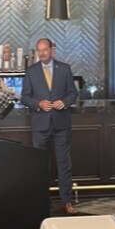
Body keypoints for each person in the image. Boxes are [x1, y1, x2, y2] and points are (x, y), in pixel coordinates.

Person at [20, 38, 78, 214]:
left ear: (52, 49)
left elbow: (73, 93)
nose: (42, 53)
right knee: (39, 165)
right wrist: (38, 104)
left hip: (61, 123)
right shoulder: (31, 72)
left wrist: (64, 102)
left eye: (45, 50)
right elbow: (25, 97)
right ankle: (41, 202)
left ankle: (67, 201)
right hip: (40, 124)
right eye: (39, 50)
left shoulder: (65, 69)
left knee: (63, 164)